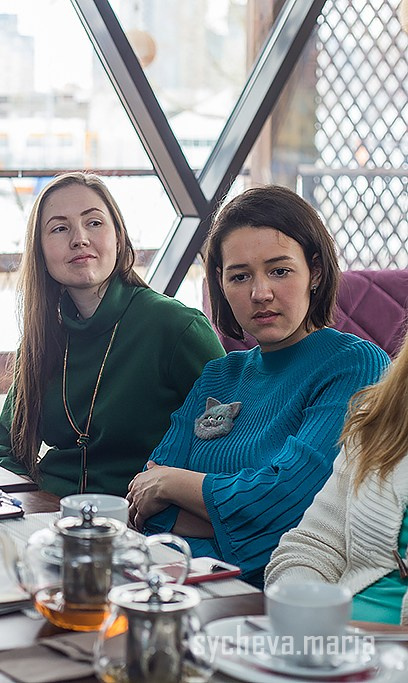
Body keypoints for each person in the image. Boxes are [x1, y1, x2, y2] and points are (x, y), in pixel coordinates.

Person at [128, 185, 389, 585]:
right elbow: (145, 501)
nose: (260, 293)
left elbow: (296, 504)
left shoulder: (354, 365)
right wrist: (237, 516)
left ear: (314, 272)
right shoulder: (219, 374)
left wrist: (176, 484)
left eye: (279, 270)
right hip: (173, 582)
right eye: (240, 276)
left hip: (273, 597)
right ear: (222, 283)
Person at [0, 172, 224, 497]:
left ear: (118, 236)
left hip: (144, 523)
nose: (79, 238)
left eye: (94, 223)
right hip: (53, 518)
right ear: (40, 252)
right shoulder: (44, 339)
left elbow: (230, 450)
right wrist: (33, 510)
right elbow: (5, 454)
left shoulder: (176, 327)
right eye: (59, 228)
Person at [265, 341, 408, 624]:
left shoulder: (353, 361)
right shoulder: (380, 417)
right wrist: (304, 611)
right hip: (333, 644)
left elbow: (275, 494)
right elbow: (313, 546)